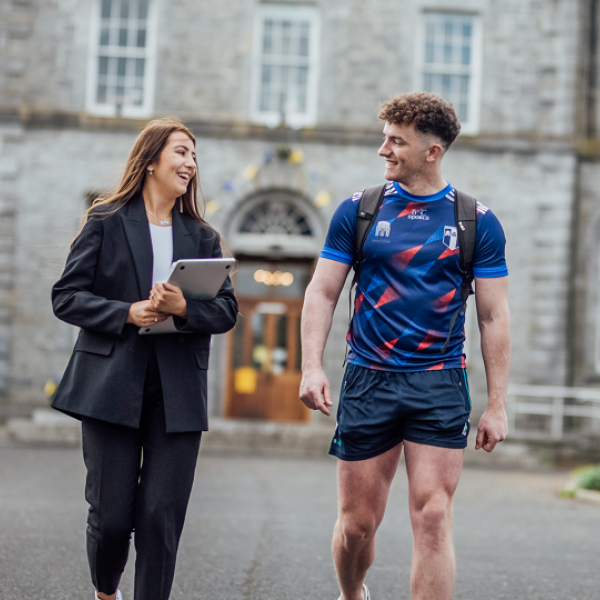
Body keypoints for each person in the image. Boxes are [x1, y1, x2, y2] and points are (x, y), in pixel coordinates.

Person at [300, 92, 510, 600]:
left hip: (439, 381)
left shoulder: (475, 221)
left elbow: (493, 314)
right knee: (357, 527)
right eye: (385, 137)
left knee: (434, 515)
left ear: (432, 151)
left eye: (396, 141)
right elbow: (323, 291)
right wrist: (311, 366)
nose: (383, 150)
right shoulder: (359, 211)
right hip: (368, 378)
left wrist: (498, 405)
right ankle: (353, 594)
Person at [51, 118, 238, 600]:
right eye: (181, 152)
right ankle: (105, 590)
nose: (190, 163)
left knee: (160, 517)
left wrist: (184, 308)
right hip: (110, 382)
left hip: (176, 389)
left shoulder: (203, 238)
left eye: (195, 155)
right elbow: (66, 296)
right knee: (112, 517)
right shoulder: (106, 220)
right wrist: (127, 312)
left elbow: (227, 311)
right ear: (151, 159)